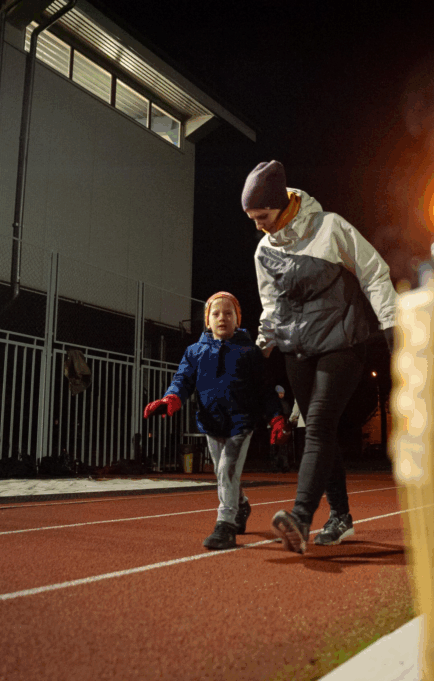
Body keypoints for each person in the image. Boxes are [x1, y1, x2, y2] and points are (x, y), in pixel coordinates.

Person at [243, 160, 397, 554]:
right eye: (252, 218)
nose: (258, 225)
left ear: (280, 204)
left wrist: (394, 326)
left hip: (342, 342)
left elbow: (374, 273)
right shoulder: (264, 250)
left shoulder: (330, 227)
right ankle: (341, 516)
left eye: (262, 216)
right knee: (316, 430)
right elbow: (271, 307)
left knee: (320, 424)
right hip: (298, 349)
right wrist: (260, 348)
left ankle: (300, 516)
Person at [143, 291, 289, 550]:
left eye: (229, 313)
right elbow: (182, 380)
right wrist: (170, 399)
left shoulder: (250, 352)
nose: (222, 317)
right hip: (211, 423)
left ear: (238, 319)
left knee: (226, 471)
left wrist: (276, 417)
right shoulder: (194, 351)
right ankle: (241, 505)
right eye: (216, 313)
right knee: (222, 472)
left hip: (241, 423)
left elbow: (264, 389)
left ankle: (225, 525)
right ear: (207, 321)